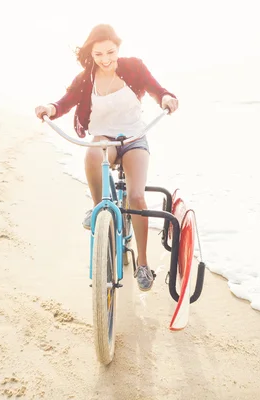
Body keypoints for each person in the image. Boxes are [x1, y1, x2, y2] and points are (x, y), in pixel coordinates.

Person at [35, 24, 179, 292]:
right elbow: (64, 102)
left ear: (118, 48)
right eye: (98, 54)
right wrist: (50, 108)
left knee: (136, 197)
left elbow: (156, 89)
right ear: (92, 54)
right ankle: (98, 207)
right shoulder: (85, 78)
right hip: (105, 138)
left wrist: (166, 97)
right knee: (93, 150)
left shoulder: (134, 66)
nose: (105, 59)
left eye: (110, 52)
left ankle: (143, 265)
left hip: (135, 137)